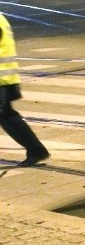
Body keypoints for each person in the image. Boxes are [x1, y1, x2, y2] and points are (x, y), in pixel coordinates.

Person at [0, 13, 50, 167]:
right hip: (5, 78)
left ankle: (36, 150)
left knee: (7, 117)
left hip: (2, 79)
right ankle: (36, 150)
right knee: (7, 116)